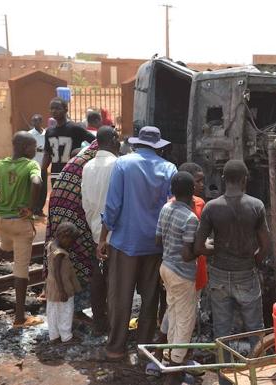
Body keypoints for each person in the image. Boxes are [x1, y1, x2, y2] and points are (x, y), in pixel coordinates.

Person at [97, 126, 176, 361]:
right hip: (155, 244)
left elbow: (113, 206)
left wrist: (103, 238)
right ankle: (144, 350)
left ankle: (116, 347)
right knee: (150, 299)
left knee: (120, 297)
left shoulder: (123, 164)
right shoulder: (169, 168)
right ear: (158, 145)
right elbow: (172, 207)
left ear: (137, 143)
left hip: (125, 242)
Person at [194, 160, 269, 351]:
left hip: (219, 273)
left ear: (223, 179)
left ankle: (224, 378)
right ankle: (257, 374)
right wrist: (254, 261)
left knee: (222, 332)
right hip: (246, 273)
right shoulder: (256, 205)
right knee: (255, 330)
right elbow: (265, 245)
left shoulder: (211, 207)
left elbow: (199, 247)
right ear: (245, 180)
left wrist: (216, 250)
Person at [0, 132, 43, 328]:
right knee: (21, 269)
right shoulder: (31, 165)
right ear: (23, 147)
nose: (34, 150)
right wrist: (30, 208)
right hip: (21, 223)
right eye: (32, 147)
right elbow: (37, 182)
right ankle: (20, 318)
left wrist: (1, 212)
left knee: (4, 246)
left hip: (2, 219)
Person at [45, 140, 100, 324]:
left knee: (68, 260)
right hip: (74, 219)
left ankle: (68, 309)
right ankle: (74, 311)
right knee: (81, 260)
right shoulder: (93, 163)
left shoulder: (77, 162)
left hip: (61, 216)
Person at [156, 172, 199, 382]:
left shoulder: (166, 208)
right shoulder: (191, 218)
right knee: (185, 321)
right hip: (182, 273)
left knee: (173, 314)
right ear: (193, 191)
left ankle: (167, 360)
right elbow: (187, 253)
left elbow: (158, 239)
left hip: (166, 267)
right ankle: (175, 369)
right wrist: (204, 248)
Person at [81, 126, 120, 334]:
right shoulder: (118, 165)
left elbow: (85, 201)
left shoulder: (87, 166)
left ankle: (99, 322)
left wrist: (94, 226)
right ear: (114, 139)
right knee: (114, 280)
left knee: (98, 276)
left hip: (96, 230)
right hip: (116, 233)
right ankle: (114, 324)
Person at [42, 97, 95, 187]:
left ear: (66, 109)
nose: (54, 111)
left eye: (57, 108)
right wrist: (42, 170)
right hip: (55, 173)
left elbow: (96, 142)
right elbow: (47, 153)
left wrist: (84, 156)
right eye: (52, 108)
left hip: (73, 173)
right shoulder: (49, 131)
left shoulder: (75, 128)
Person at [46, 221, 82, 343]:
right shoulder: (60, 253)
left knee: (53, 311)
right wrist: (62, 291)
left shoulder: (52, 245)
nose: (71, 245)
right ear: (63, 237)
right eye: (70, 241)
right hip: (62, 287)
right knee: (66, 311)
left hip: (51, 286)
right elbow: (57, 272)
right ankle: (66, 337)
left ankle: (54, 336)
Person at [28, 114, 47, 216]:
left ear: (41, 122)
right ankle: (33, 208)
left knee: (43, 189)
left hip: (43, 165)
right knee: (34, 187)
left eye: (38, 121)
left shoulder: (46, 134)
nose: (36, 123)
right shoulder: (29, 134)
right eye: (34, 121)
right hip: (33, 165)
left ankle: (40, 209)